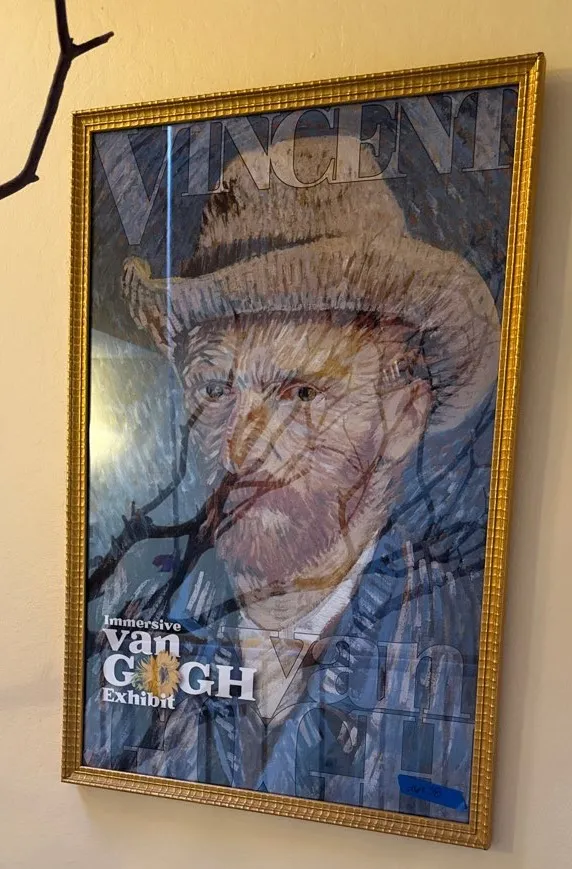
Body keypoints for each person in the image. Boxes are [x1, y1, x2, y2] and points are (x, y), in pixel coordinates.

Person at [86, 133, 500, 819]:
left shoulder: (460, 639)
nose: (240, 447)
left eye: (301, 393)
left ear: (403, 414)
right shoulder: (132, 613)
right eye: (214, 388)